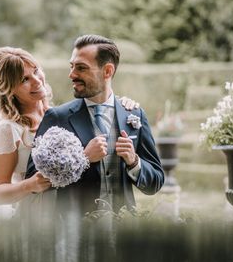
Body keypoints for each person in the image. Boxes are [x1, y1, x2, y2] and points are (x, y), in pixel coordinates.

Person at [0, 47, 138, 220]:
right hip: (34, 216)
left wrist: (123, 105)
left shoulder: (59, 115)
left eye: (36, 71)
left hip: (69, 212)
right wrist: (29, 185)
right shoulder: (9, 130)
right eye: (25, 79)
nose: (37, 81)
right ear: (10, 89)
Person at [25, 35, 164, 216]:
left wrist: (134, 161)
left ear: (107, 71)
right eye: (72, 66)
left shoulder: (134, 114)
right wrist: (82, 158)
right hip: (73, 230)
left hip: (124, 227)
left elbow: (155, 183)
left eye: (81, 68)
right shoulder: (57, 117)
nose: (72, 75)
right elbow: (33, 183)